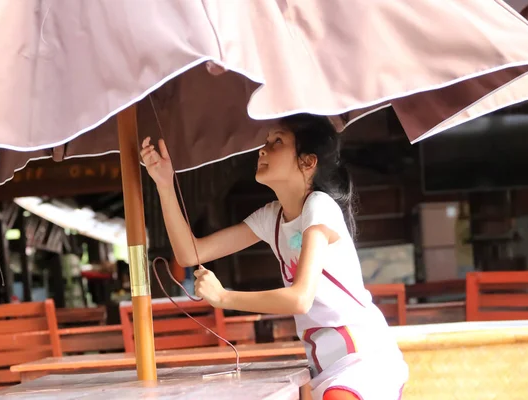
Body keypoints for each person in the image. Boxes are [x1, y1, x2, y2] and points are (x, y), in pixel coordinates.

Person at [140, 113, 408, 400]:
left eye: (277, 141)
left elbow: (300, 299)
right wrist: (164, 184)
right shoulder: (272, 217)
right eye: (267, 141)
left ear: (308, 162)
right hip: (325, 367)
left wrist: (225, 297)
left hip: (362, 359)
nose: (263, 149)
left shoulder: (320, 207)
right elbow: (189, 253)